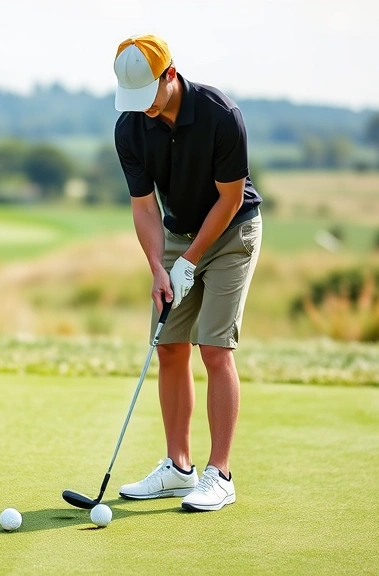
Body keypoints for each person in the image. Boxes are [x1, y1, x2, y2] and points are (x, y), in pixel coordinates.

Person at [112, 34, 263, 512]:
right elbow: (143, 206)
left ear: (170, 75)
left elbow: (231, 198)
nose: (145, 109)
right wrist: (158, 266)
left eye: (149, 96)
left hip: (231, 231)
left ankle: (220, 475)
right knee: (170, 345)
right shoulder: (131, 127)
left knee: (214, 347)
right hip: (177, 235)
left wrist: (191, 261)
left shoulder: (221, 115)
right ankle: (179, 469)